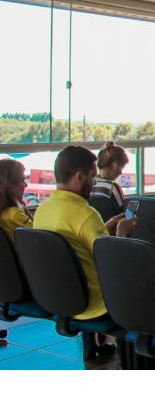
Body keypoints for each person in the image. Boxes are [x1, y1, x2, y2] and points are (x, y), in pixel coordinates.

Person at [33, 146, 136, 359]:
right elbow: (113, 264)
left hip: (61, 300)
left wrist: (104, 228)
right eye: (91, 177)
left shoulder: (42, 210)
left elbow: (77, 245)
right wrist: (122, 235)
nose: (94, 183)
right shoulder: (86, 214)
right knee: (152, 289)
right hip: (97, 304)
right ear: (79, 177)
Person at [91, 141, 129, 215]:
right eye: (121, 167)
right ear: (115, 164)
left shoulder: (89, 185)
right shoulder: (112, 187)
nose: (120, 172)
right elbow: (123, 215)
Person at [0, 159, 33, 239]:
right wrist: (25, 209)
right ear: (11, 187)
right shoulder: (14, 214)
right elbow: (39, 235)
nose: (26, 185)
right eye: (22, 180)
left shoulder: (3, 213)